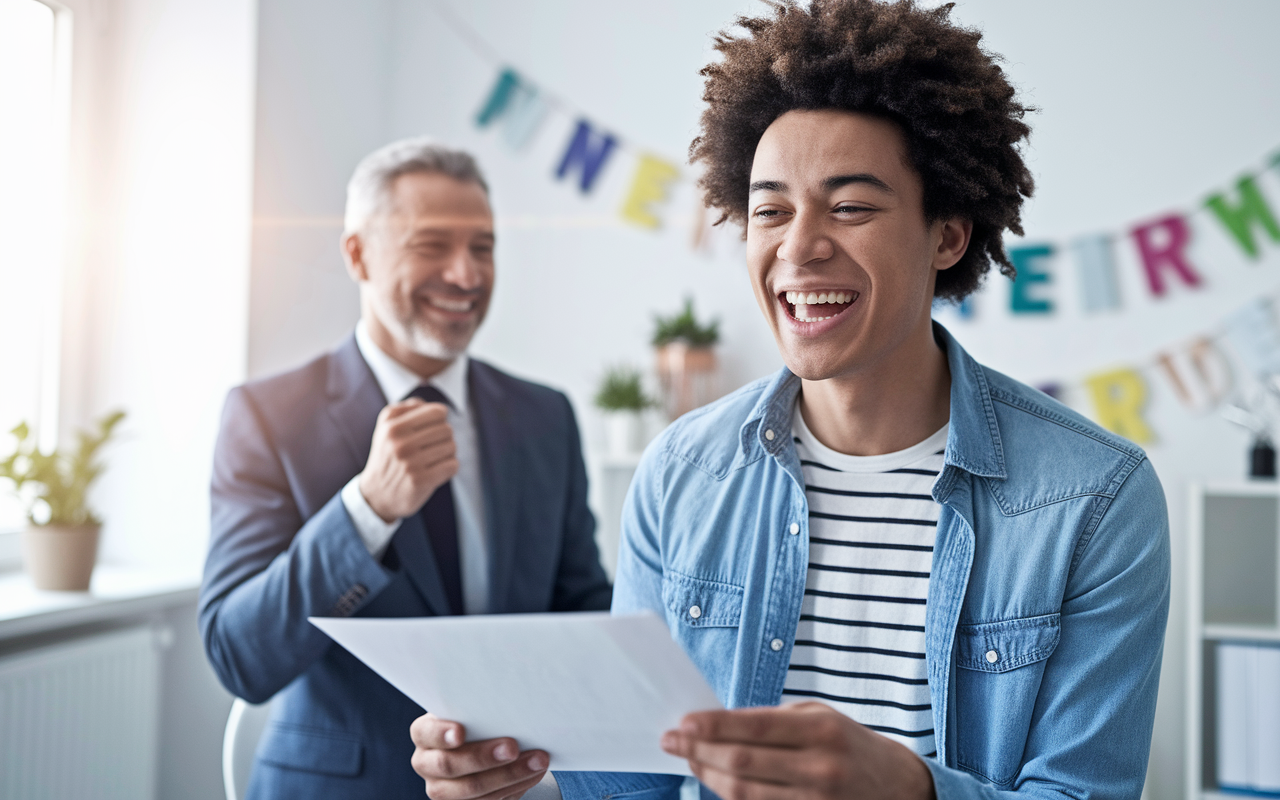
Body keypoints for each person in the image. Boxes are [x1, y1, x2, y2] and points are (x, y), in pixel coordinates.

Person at [410, 1, 1171, 798]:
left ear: (948, 233)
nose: (798, 247)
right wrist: (520, 776)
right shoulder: (680, 472)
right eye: (769, 210)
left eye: (849, 207)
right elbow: (638, 782)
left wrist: (905, 789)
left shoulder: (1094, 498)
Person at [199, 138, 612, 798]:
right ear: (357, 254)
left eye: (483, 247)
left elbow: (583, 603)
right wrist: (368, 510)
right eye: (432, 245)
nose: (467, 274)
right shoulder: (267, 416)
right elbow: (240, 656)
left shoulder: (545, 416)